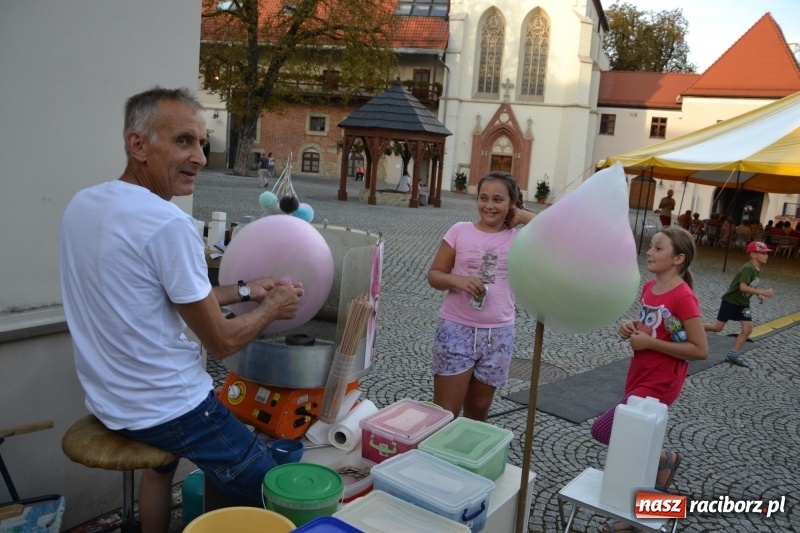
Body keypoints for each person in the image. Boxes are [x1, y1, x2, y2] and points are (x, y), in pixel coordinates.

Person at [58, 87, 305, 533]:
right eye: (183, 141)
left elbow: (153, 295)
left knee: (161, 470)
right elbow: (221, 341)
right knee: (278, 492)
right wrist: (274, 308)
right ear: (138, 145)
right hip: (169, 407)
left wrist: (247, 289)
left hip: (111, 399)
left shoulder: (84, 205)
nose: (200, 158)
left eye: (202, 143)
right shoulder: (167, 223)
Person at [592, 227, 708, 533]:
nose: (649, 252)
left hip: (660, 383)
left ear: (678, 258)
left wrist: (651, 344)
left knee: (604, 430)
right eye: (651, 247)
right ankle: (658, 467)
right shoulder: (650, 288)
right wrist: (630, 328)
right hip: (639, 375)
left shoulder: (684, 296)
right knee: (635, 439)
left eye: (658, 248)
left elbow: (699, 349)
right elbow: (658, 328)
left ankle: (631, 513)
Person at [427, 171, 535, 421]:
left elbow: (557, 234)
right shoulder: (459, 231)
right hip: (456, 329)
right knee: (445, 414)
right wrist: (459, 280)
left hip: (498, 334)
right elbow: (434, 275)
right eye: (483, 198)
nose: (489, 205)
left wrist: (522, 216)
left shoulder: (520, 239)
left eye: (498, 200)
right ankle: (439, 459)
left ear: (511, 203)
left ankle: (466, 460)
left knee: (478, 411)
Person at [703, 241, 775, 368]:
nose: (766, 255)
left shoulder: (758, 270)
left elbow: (751, 286)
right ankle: (691, 327)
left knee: (748, 329)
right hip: (730, 301)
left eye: (767, 253)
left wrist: (759, 295)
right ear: (753, 254)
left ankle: (733, 354)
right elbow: (743, 287)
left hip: (743, 303)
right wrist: (762, 291)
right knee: (717, 328)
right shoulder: (748, 268)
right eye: (763, 253)